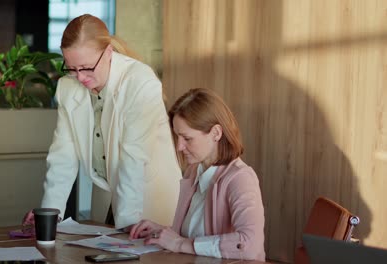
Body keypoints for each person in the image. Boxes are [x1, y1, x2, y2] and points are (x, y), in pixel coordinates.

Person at [22, 14, 181, 230]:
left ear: (108, 53)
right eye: (71, 67)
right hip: (106, 196)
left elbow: (132, 159)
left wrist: (126, 231)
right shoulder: (68, 88)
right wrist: (50, 215)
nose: (79, 78)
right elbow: (63, 156)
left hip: (148, 197)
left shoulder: (140, 81)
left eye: (86, 67)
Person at [129, 88, 266, 261]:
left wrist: (178, 244)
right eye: (178, 137)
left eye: (187, 138)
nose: (179, 147)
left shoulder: (241, 178)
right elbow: (193, 236)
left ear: (216, 133)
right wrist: (163, 232)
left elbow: (250, 245)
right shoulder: (194, 172)